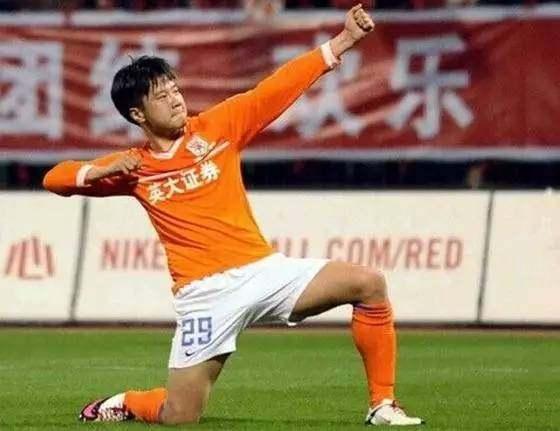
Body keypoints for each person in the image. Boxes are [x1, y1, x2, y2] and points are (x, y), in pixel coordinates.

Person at [43, 5, 423, 426]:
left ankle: (382, 405)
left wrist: (344, 41)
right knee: (179, 416)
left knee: (368, 283)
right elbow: (54, 179)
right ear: (138, 114)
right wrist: (98, 171)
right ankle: (129, 402)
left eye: (175, 88)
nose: (175, 99)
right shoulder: (134, 167)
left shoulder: (218, 127)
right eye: (161, 96)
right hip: (204, 295)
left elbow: (276, 88)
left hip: (263, 272)